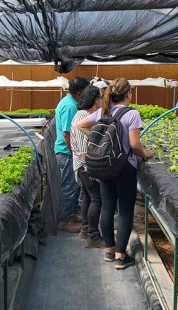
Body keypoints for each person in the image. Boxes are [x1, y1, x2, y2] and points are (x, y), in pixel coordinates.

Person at [77, 78, 154, 270]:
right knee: (126, 210)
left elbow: (81, 125)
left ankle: (110, 251)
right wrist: (145, 154)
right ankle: (121, 256)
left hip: (104, 166)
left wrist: (102, 143)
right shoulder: (132, 114)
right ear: (128, 93)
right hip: (124, 167)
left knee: (107, 207)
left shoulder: (104, 111)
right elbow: (135, 144)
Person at [70, 84, 104, 247]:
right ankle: (93, 236)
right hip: (85, 165)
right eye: (101, 98)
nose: (103, 101)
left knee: (87, 196)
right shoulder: (83, 118)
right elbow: (85, 150)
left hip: (80, 165)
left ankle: (85, 229)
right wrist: (90, 169)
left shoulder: (80, 114)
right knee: (96, 199)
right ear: (95, 100)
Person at [55, 76, 90, 233]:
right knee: (69, 186)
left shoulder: (70, 102)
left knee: (75, 185)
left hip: (68, 152)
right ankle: (65, 220)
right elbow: (66, 133)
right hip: (66, 152)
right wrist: (74, 152)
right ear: (80, 92)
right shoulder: (69, 106)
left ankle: (73, 213)